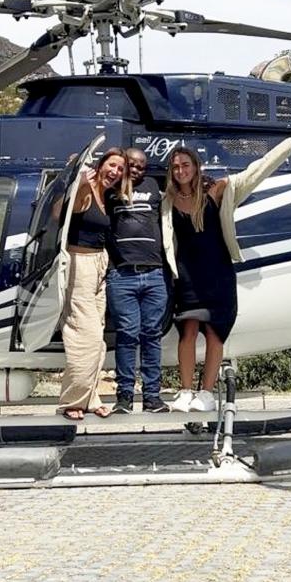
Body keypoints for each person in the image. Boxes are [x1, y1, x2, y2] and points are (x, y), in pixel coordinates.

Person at [162, 137, 291, 413]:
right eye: (175, 167)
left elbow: (255, 172)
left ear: (196, 166)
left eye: (185, 165)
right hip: (187, 275)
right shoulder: (168, 200)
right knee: (186, 332)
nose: (180, 171)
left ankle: (206, 393)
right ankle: (185, 391)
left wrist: (288, 146)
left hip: (217, 274)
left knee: (215, 334)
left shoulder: (217, 191)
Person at [58, 148, 130, 421]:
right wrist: (78, 177)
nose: (115, 172)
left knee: (97, 341)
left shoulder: (106, 197)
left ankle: (89, 398)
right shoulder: (86, 191)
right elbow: (63, 212)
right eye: (112, 165)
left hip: (99, 264)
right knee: (83, 336)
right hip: (80, 265)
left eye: (120, 169)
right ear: (100, 166)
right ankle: (71, 401)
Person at [105, 148, 171, 414]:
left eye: (141, 167)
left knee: (151, 336)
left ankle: (153, 396)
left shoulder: (154, 185)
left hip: (154, 273)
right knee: (127, 335)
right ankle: (124, 396)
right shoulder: (110, 192)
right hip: (122, 275)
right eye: (131, 165)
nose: (136, 170)